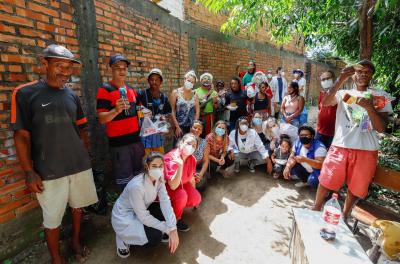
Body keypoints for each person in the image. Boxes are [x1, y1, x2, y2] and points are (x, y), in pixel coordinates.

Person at [11, 44, 98, 263]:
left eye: (69, 68)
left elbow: (82, 128)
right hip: (49, 170)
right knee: (52, 220)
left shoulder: (71, 95)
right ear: (44, 64)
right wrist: (29, 172)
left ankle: (75, 241)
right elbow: (21, 136)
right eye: (59, 66)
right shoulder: (24, 93)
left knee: (78, 207)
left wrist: (87, 155)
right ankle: (56, 259)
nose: (65, 73)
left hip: (78, 165)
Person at [313, 60, 393, 220]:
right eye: (360, 71)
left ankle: (344, 215)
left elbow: (381, 128)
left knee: (356, 187)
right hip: (340, 146)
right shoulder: (344, 94)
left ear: (371, 75)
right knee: (327, 178)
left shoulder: (380, 96)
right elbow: (326, 102)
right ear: (354, 74)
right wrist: (341, 78)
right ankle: (315, 208)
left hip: (367, 149)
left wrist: (370, 108)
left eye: (367, 72)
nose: (363, 74)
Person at [111, 153, 179, 258]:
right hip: (124, 217)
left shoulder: (159, 179)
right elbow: (143, 217)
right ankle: (123, 238)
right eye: (154, 166)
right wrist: (167, 229)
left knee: (164, 213)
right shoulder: (137, 186)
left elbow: (165, 201)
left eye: (161, 166)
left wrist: (173, 228)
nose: (158, 169)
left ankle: (159, 230)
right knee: (155, 237)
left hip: (140, 210)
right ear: (147, 167)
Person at [97, 54, 145, 189]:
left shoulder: (130, 90)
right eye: (118, 68)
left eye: (124, 68)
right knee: (125, 181)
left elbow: (139, 110)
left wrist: (146, 113)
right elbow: (101, 119)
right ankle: (126, 208)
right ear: (110, 69)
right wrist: (116, 110)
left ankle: (139, 203)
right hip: (119, 145)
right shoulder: (105, 90)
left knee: (139, 176)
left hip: (136, 141)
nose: (122, 71)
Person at [163, 133, 202, 232]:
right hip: (165, 189)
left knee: (196, 198)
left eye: (194, 146)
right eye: (188, 143)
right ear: (181, 143)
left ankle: (175, 206)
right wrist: (180, 166)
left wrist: (194, 191)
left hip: (181, 185)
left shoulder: (191, 159)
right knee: (182, 195)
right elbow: (172, 186)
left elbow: (191, 178)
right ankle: (175, 220)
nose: (191, 147)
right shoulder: (171, 158)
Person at [138, 68, 172, 154]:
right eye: (152, 79)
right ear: (148, 81)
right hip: (145, 133)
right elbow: (135, 108)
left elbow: (168, 114)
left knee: (159, 158)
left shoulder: (164, 98)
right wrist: (142, 112)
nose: (154, 82)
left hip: (158, 134)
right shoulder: (142, 94)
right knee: (146, 159)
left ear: (161, 82)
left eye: (157, 80)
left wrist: (165, 119)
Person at [170, 70, 200, 138]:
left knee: (189, 146)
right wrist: (177, 127)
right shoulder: (175, 93)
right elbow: (172, 111)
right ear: (184, 79)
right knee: (178, 146)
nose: (190, 83)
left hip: (191, 127)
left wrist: (194, 126)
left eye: (192, 82)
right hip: (179, 127)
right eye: (188, 81)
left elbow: (197, 112)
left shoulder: (195, 95)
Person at [316, 71, 337, 148]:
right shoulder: (321, 94)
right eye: (323, 79)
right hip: (320, 132)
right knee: (319, 154)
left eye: (328, 78)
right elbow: (320, 110)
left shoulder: (339, 94)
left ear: (334, 79)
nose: (325, 81)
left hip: (333, 133)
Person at [191, 120, 210, 192]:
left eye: (199, 129)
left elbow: (205, 161)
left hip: (197, 168)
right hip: (185, 169)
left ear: (201, 131)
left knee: (199, 184)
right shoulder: (184, 140)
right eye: (194, 127)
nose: (196, 130)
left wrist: (201, 174)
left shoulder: (204, 143)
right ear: (190, 128)